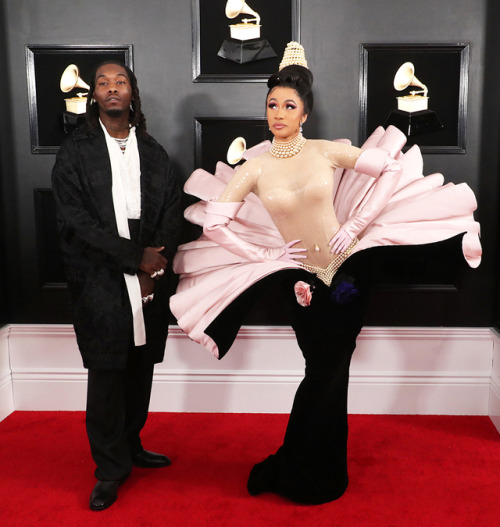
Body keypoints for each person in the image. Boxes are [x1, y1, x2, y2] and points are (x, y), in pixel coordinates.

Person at [170, 42, 481, 504]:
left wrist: (356, 223)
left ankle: (308, 471)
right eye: (272, 104)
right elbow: (213, 222)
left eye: (288, 106)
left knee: (330, 370)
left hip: (348, 273)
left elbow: (390, 170)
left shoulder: (322, 152)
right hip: (301, 282)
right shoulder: (253, 169)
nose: (278, 113)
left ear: (304, 115)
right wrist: (264, 258)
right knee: (324, 371)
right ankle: (309, 469)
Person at [52, 61, 181, 511]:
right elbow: (75, 221)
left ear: (133, 94)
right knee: (107, 373)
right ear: (94, 96)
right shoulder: (76, 151)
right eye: (103, 83)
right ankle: (109, 470)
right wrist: (132, 258)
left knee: (140, 365)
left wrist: (153, 265)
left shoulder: (154, 151)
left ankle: (131, 444)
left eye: (120, 82)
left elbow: (170, 209)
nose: (112, 88)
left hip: (149, 269)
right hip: (100, 274)